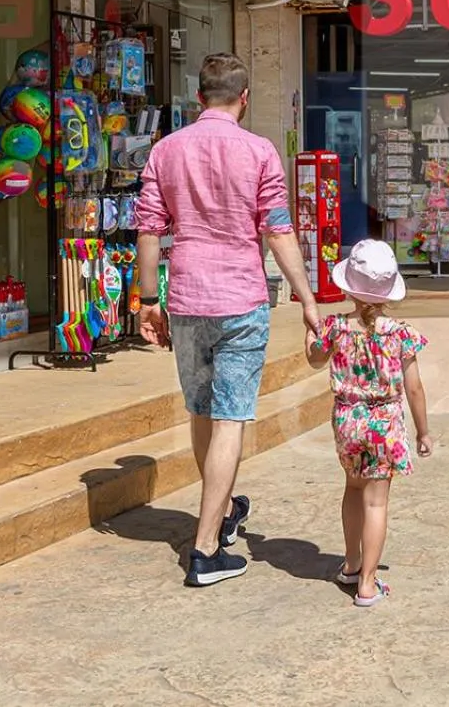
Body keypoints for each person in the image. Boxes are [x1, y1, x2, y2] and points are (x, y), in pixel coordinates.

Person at [136, 52, 320, 588]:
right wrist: (307, 299)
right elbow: (278, 230)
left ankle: (223, 511)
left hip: (187, 299)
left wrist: (148, 300)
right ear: (244, 98)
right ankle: (206, 546)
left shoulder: (166, 150)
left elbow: (149, 230)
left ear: (200, 98)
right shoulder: (259, 151)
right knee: (230, 418)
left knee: (201, 409)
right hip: (240, 299)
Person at [306, 239, 432, 607]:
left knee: (353, 489)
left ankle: (350, 563)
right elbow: (415, 388)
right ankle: (368, 583)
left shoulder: (335, 328)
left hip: (347, 420)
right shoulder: (400, 333)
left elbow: (314, 358)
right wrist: (424, 431)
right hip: (384, 423)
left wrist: (309, 335)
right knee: (376, 503)